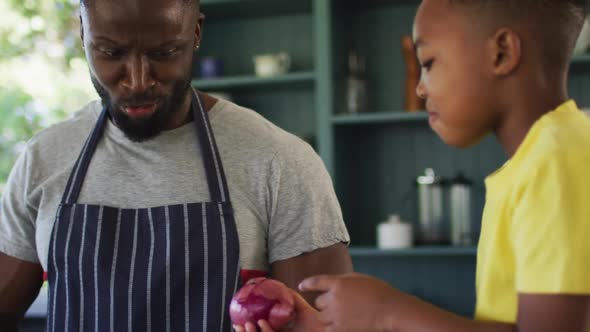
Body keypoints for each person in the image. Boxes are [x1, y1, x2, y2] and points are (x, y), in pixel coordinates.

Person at [235, 0, 590, 331]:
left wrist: (390, 312)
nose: (419, 89)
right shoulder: (543, 159)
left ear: (502, 52)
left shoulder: (556, 163)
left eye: (429, 63)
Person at [0, 0, 353, 331]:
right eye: (111, 52)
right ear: (82, 33)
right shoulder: (44, 159)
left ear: (195, 34)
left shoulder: (280, 161)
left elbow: (323, 325)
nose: (137, 80)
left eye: (163, 53)